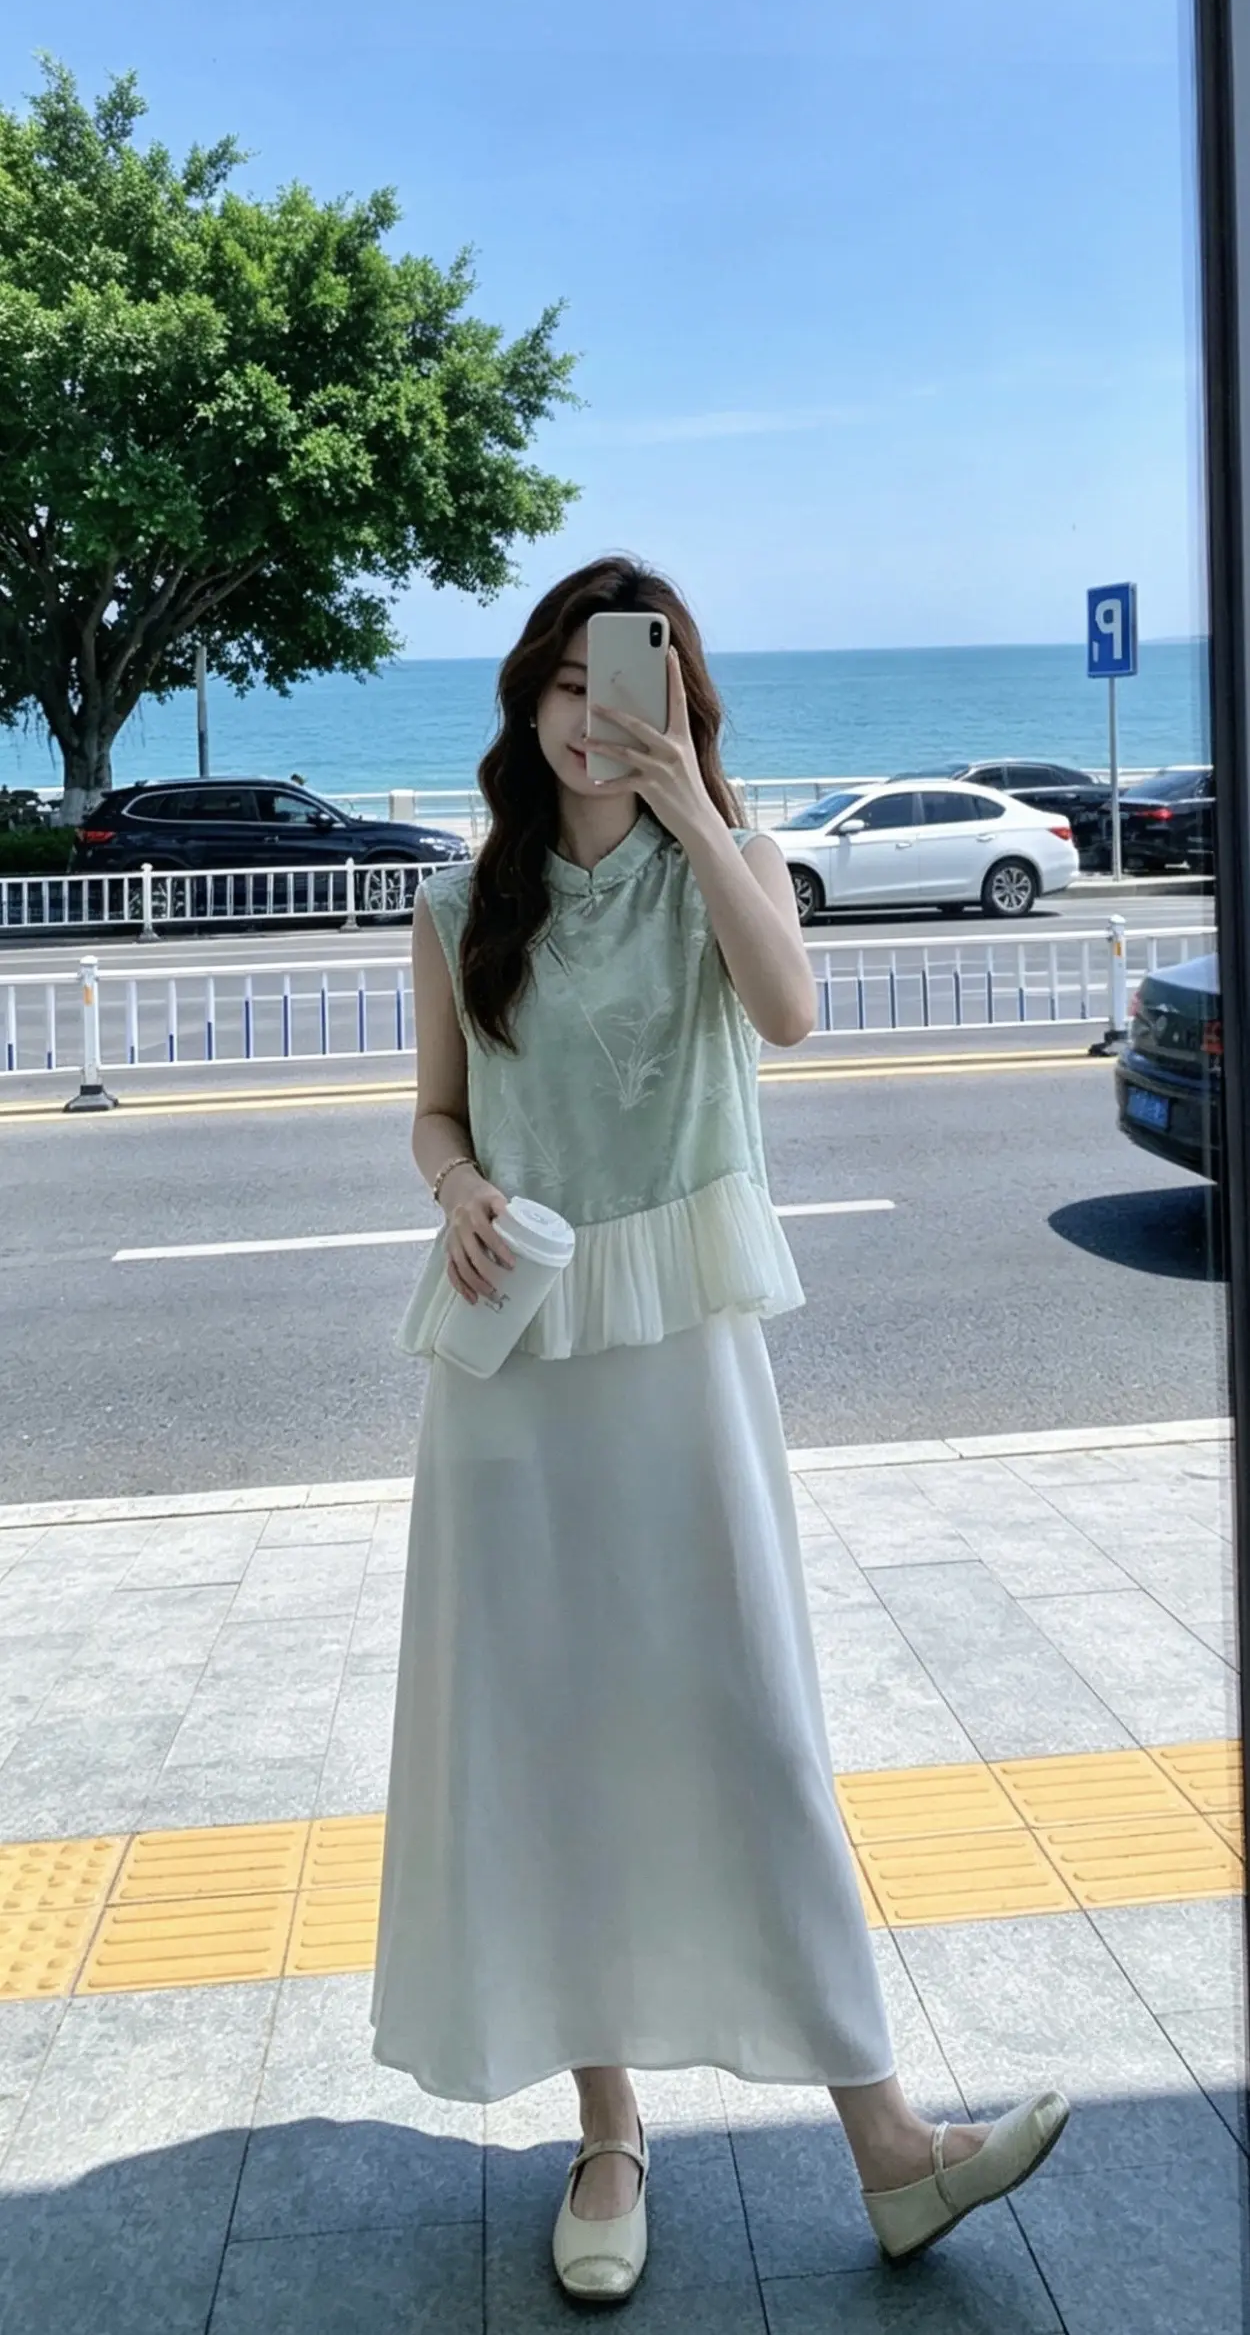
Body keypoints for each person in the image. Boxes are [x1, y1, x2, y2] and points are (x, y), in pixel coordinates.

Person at [369, 554, 1069, 2301]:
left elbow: (789, 1013)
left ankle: (888, 2146)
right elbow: (435, 1113)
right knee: (546, 1733)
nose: (593, 715)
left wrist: (690, 802)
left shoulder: (731, 868)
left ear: (679, 705)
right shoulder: (457, 906)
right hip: (514, 1364)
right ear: (527, 700)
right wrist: (454, 1187)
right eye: (568, 683)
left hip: (683, 1355)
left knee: (749, 1725)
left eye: (632, 684)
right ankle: (608, 2131)